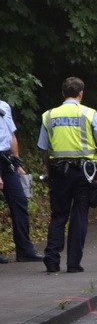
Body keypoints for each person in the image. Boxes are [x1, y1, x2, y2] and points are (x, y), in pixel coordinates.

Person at [37, 77, 97, 273]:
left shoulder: (49, 115)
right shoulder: (90, 114)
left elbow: (43, 149)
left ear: (63, 93)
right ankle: (73, 264)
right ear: (81, 94)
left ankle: (52, 260)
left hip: (58, 171)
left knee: (58, 216)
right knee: (79, 216)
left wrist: (48, 171)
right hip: (84, 172)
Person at [0, 98, 43, 263]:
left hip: (6, 159)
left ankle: (24, 250)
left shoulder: (4, 106)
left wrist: (16, 160)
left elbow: (11, 134)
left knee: (20, 202)